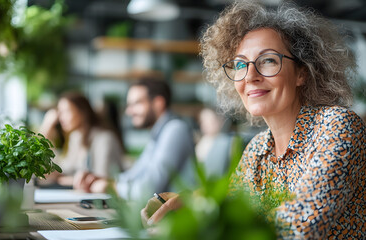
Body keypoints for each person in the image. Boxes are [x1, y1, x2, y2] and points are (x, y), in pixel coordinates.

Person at [141, 2, 366, 239]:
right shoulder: (257, 150)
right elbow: (231, 209)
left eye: (268, 60)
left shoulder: (338, 126)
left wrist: (204, 219)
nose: (250, 76)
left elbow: (301, 224)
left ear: (302, 72)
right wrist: (189, 205)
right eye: (240, 64)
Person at [73, 78, 196, 201]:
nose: (128, 111)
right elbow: (135, 175)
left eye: (136, 103)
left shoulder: (175, 129)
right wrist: (100, 179)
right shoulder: (159, 133)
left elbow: (147, 190)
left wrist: (109, 186)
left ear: (158, 103)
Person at [39, 92, 124, 187]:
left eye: (66, 111)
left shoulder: (104, 139)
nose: (60, 118)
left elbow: (105, 179)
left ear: (82, 112)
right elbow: (62, 170)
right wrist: (46, 129)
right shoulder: (76, 137)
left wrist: (65, 179)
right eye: (60, 112)